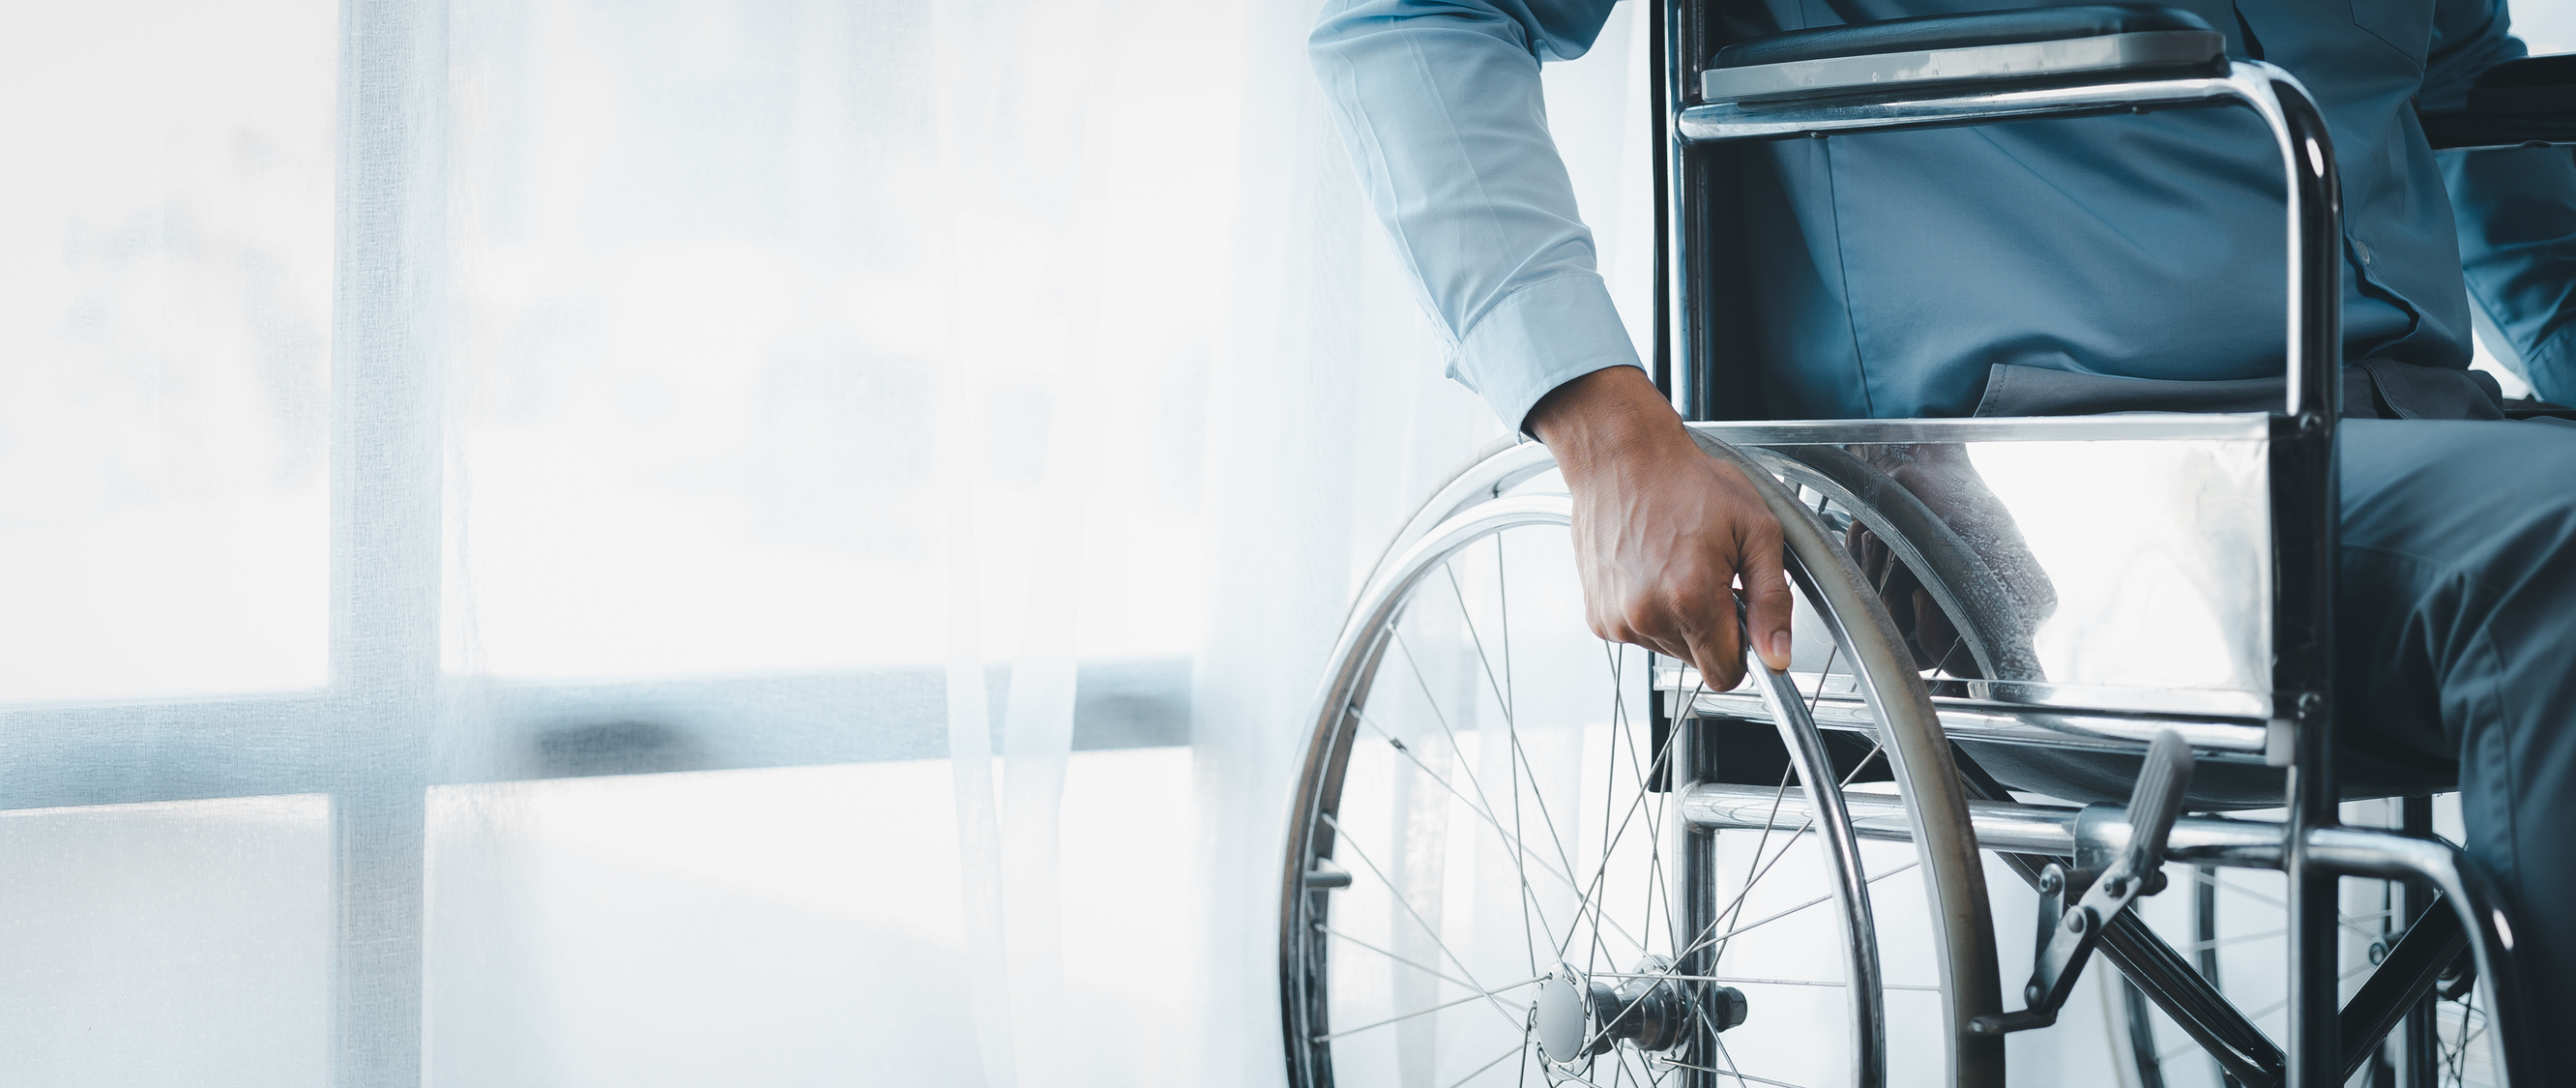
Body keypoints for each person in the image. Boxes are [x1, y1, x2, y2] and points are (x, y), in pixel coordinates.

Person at [1310, 0, 2576, 1071]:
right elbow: (1415, 18)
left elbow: (2466, 91)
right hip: (2049, 488)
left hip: (2421, 434)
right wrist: (1604, 427)